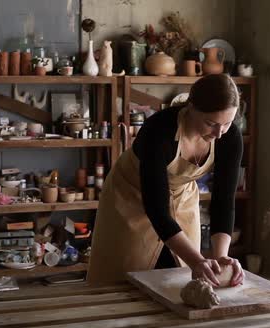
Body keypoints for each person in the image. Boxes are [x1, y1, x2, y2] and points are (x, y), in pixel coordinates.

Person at [87, 74, 244, 287]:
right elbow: (157, 211)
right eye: (211, 123)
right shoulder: (159, 130)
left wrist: (220, 257)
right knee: (124, 277)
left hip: (181, 196)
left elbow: (224, 201)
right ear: (191, 108)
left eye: (227, 123)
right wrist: (197, 260)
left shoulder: (230, 136)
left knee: (180, 277)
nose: (219, 133)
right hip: (130, 195)